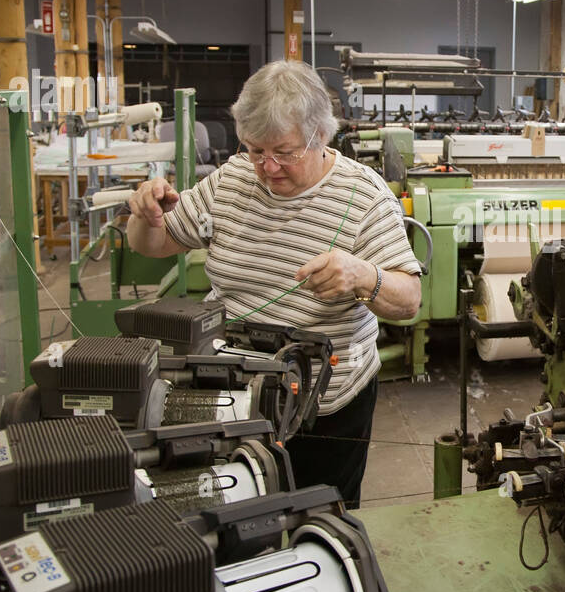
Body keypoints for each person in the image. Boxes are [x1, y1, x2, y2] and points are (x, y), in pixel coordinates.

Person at [126, 60, 422, 508]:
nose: (267, 167)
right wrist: (144, 217)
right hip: (230, 398)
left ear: (320, 135)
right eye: (254, 149)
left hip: (324, 408)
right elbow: (154, 243)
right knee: (232, 515)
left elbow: (409, 300)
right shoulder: (231, 181)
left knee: (318, 518)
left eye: (284, 152)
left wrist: (364, 276)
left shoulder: (366, 196)